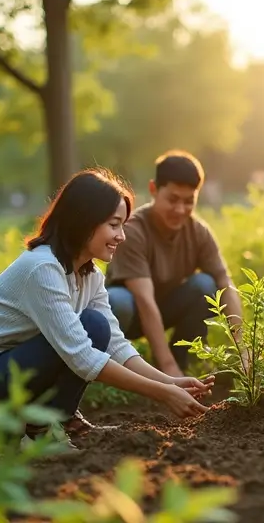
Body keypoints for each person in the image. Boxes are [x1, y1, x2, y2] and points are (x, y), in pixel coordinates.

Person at [0, 168, 213, 449]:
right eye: (114, 225)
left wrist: (170, 382)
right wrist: (162, 394)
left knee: (97, 326)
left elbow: (115, 344)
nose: (122, 236)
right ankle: (38, 431)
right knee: (91, 326)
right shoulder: (42, 268)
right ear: (84, 221)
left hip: (13, 370)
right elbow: (82, 357)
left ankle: (52, 423)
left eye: (123, 225)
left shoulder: (89, 275)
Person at [105, 151, 244, 377]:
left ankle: (185, 358)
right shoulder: (132, 230)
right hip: (131, 315)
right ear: (154, 189)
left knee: (206, 284)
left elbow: (225, 283)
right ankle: (110, 364)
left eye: (189, 201)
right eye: (173, 199)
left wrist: (242, 349)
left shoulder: (198, 231)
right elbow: (144, 300)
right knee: (118, 301)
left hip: (165, 309)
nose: (180, 210)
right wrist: (168, 369)